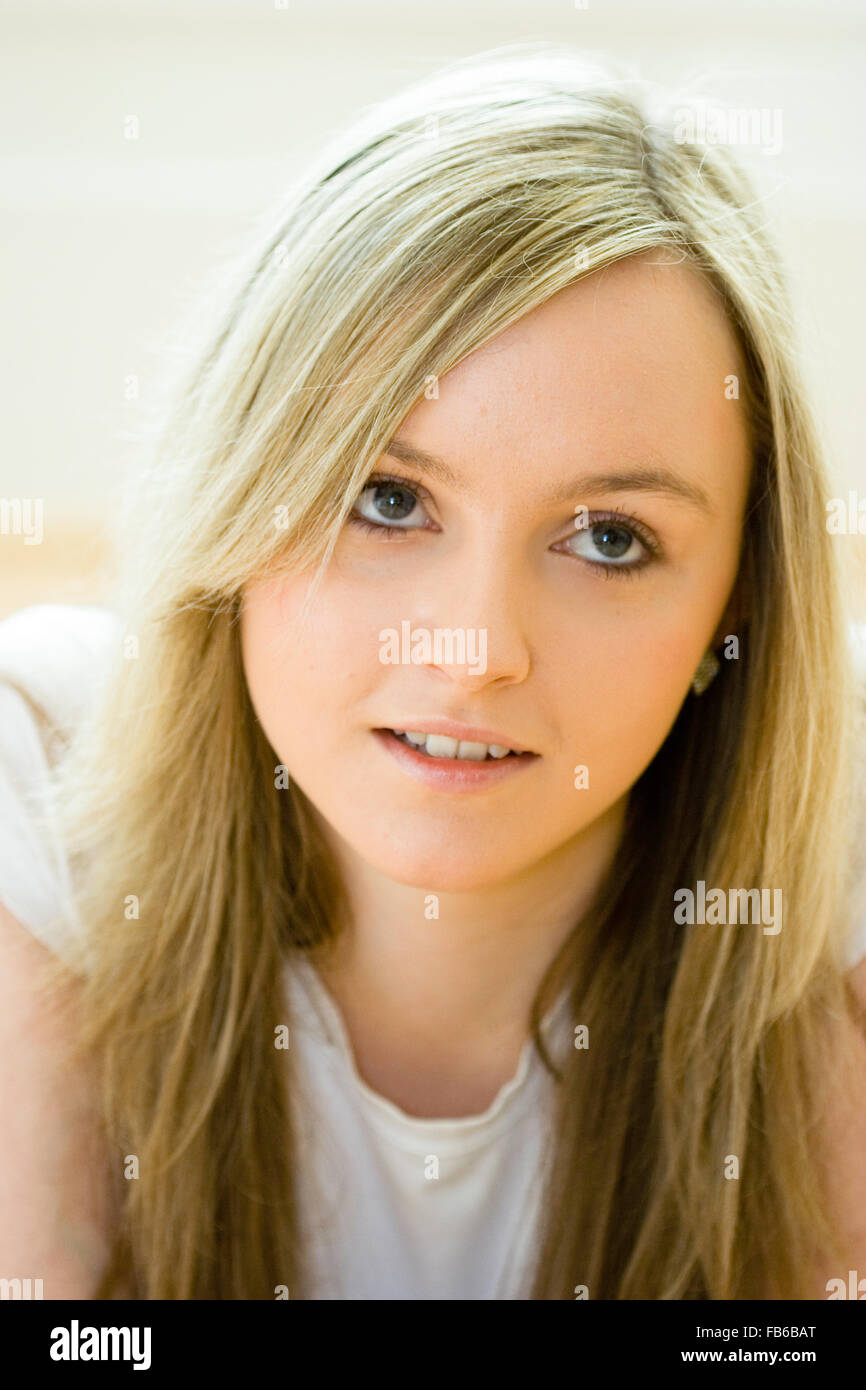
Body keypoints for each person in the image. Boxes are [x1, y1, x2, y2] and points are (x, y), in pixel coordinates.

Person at [2, 43, 866, 1301]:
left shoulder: (831, 858)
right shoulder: (38, 781)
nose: (473, 651)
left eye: (610, 538)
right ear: (241, 493)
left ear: (735, 604)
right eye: (385, 498)